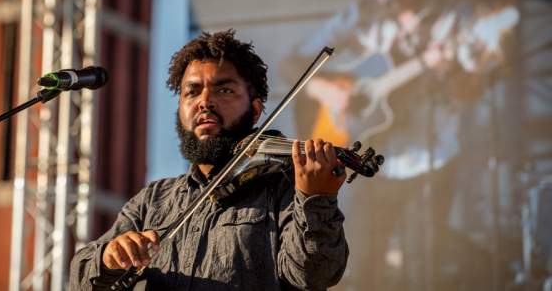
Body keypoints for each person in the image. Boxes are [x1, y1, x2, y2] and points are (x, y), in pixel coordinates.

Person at [69, 30, 349, 290]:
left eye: (224, 90)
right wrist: (109, 257)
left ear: (255, 109)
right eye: (191, 92)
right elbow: (80, 279)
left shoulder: (283, 187)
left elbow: (314, 275)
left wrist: (316, 198)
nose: (204, 101)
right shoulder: (154, 200)